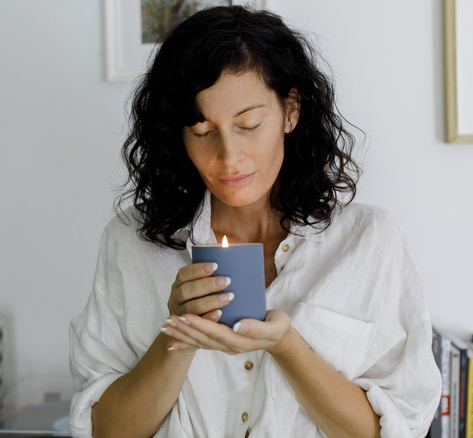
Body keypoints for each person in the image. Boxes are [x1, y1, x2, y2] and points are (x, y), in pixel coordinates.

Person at [69, 6, 441, 438]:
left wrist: (285, 345)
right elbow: (106, 431)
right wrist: (180, 335)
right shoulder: (131, 243)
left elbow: (393, 431)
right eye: (203, 131)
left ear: (290, 111)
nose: (228, 157)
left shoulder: (370, 243)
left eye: (248, 125)